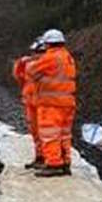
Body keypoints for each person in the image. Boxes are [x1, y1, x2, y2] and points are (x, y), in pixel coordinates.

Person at [26, 29, 76, 177]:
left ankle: (54, 164)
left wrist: (29, 62)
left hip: (51, 103)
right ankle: (65, 162)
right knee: (64, 135)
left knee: (50, 134)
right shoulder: (67, 57)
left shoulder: (50, 58)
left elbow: (31, 72)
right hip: (67, 102)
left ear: (48, 44)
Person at [12, 39, 45, 169]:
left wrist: (23, 63)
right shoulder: (29, 64)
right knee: (36, 132)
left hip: (44, 103)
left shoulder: (44, 65)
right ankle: (40, 156)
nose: (36, 55)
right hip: (31, 102)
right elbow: (18, 76)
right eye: (35, 52)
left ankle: (49, 158)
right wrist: (20, 64)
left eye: (39, 52)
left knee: (45, 133)